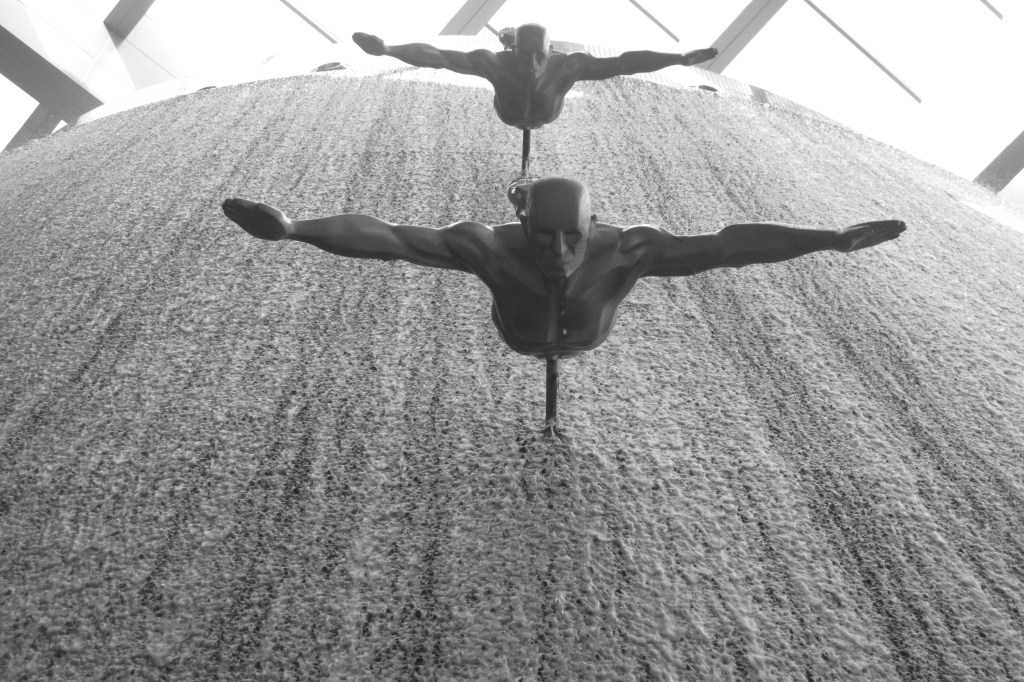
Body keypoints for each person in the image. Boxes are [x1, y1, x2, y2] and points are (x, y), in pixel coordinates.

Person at [222, 177, 905, 361]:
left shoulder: (630, 250)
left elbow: (728, 244)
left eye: (570, 239)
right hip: (522, 336)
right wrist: (294, 229)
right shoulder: (485, 247)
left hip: (574, 339)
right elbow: (391, 238)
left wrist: (828, 238)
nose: (555, 254)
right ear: (521, 225)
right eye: (541, 238)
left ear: (593, 227)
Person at [352, 25, 718, 131]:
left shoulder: (568, 65)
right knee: (480, 58)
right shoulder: (494, 62)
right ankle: (509, 33)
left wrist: (679, 59)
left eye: (539, 54)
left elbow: (624, 62)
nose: (531, 63)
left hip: (543, 115)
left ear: (551, 50)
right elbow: (439, 57)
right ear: (512, 52)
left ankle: (510, 31)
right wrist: (388, 50)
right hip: (510, 113)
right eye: (522, 53)